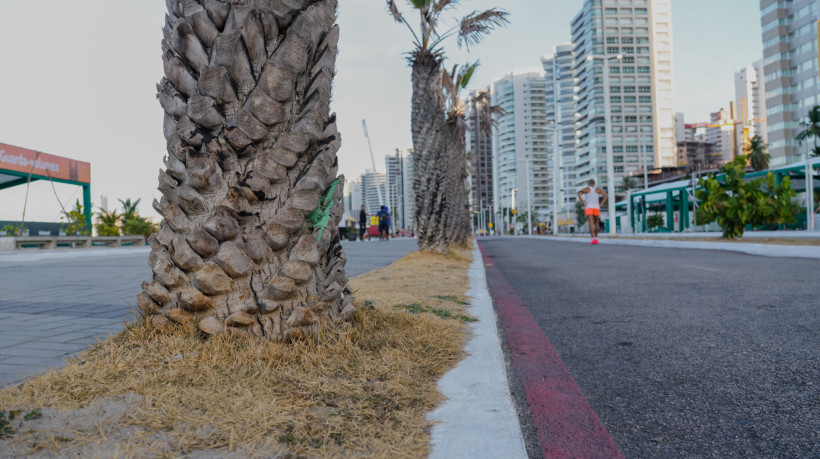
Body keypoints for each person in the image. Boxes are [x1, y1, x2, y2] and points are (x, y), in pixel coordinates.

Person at [577, 179, 608, 245]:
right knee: (596, 222)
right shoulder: (598, 189)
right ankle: (596, 238)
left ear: (589, 183)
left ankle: (593, 238)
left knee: (591, 223)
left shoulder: (586, 189)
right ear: (594, 183)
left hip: (589, 207)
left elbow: (579, 194)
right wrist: (602, 203)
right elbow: (606, 195)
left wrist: (583, 202)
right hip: (596, 207)